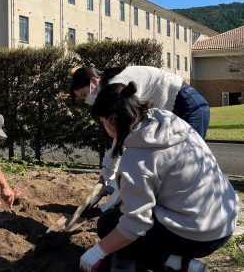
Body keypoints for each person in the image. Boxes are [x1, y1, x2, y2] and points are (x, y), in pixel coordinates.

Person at [79, 82, 240, 272]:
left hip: (201, 237)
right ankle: (177, 261)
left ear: (112, 122)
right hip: (225, 218)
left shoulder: (138, 157)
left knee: (109, 224)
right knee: (120, 214)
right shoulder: (169, 121)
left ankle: (176, 263)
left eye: (103, 123)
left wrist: (97, 252)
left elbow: (136, 224)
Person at [70, 65, 211, 211]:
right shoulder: (114, 86)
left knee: (187, 168)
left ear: (94, 81)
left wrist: (109, 197)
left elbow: (121, 138)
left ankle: (195, 216)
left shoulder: (117, 89)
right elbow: (120, 140)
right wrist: (105, 176)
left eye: (84, 95)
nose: (86, 101)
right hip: (182, 106)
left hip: (187, 106)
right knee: (174, 170)